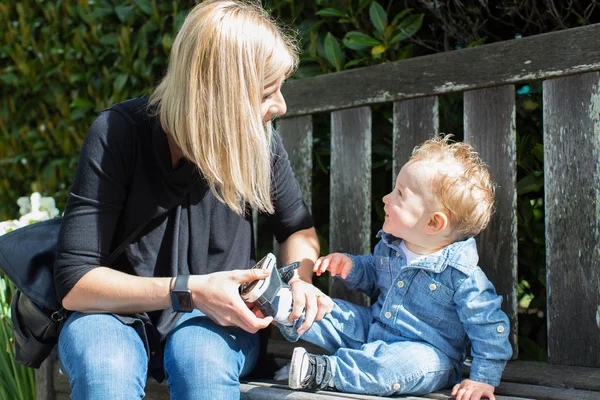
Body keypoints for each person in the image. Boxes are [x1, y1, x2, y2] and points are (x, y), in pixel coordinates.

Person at [53, 1, 333, 398]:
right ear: (219, 96)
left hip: (216, 321)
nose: (282, 106)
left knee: (198, 359)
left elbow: (296, 228)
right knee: (106, 368)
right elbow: (75, 281)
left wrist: (298, 280)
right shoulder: (117, 133)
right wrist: (189, 289)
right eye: (268, 92)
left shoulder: (258, 144)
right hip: (112, 315)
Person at [281, 135, 513, 400]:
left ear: (434, 223)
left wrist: (483, 380)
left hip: (427, 355)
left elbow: (489, 326)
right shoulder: (391, 246)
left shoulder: (463, 276)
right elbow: (372, 274)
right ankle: (281, 303)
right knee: (327, 309)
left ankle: (323, 372)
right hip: (373, 327)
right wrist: (351, 266)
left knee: (396, 367)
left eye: (400, 194)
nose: (386, 198)